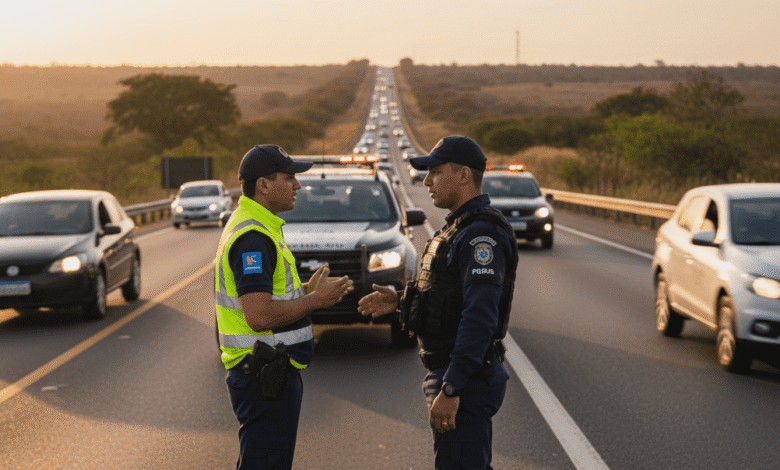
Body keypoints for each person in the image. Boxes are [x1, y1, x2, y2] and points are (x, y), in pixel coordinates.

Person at [357, 136, 519, 470]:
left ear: (463, 176)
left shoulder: (479, 237)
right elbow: (447, 299)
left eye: (435, 171)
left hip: (466, 379)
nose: (426, 181)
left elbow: (478, 316)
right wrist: (401, 302)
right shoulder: (456, 230)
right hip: (453, 374)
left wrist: (452, 385)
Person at [215, 144, 354, 470]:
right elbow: (259, 315)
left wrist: (306, 290)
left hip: (266, 372)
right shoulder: (253, 238)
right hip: (262, 374)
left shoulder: (259, 226)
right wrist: (316, 301)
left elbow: (267, 297)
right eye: (289, 178)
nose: (298, 186)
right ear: (263, 185)